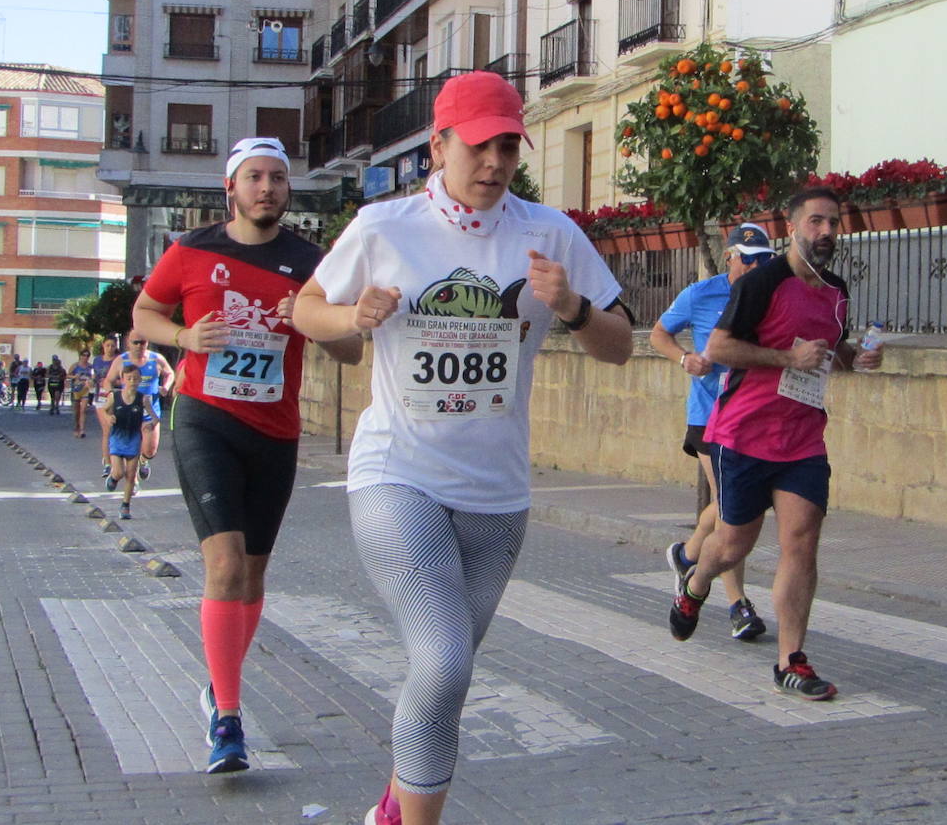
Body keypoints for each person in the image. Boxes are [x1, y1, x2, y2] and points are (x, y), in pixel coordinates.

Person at [293, 71, 634, 825]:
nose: (495, 162)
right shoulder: (385, 226)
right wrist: (356, 312)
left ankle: (391, 808)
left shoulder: (551, 234)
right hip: (397, 472)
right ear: (439, 146)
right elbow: (304, 309)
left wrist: (573, 306)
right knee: (443, 661)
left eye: (508, 145)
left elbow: (621, 343)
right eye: (479, 145)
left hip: (498, 496)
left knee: (443, 674)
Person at [132, 135, 362, 775]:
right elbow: (143, 315)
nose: (267, 189)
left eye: (278, 179)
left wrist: (312, 319)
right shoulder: (191, 251)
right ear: (230, 188)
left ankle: (218, 682)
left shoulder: (313, 264)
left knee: (253, 576)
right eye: (254, 178)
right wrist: (183, 334)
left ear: (288, 191)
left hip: (275, 430)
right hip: (206, 419)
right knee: (226, 567)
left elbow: (350, 353)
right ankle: (228, 717)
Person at [666, 186, 882, 703]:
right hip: (744, 433)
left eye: (833, 223)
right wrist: (788, 358)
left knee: (802, 541)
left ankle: (791, 660)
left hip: (803, 437)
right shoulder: (762, 282)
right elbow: (718, 348)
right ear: (792, 228)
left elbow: (830, 350)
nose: (827, 232)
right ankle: (696, 583)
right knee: (733, 544)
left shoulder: (836, 291)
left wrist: (856, 357)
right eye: (816, 222)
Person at [651, 223, 776, 641]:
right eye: (751, 258)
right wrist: (684, 358)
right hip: (709, 414)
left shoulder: (771, 293)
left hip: (752, 413)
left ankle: (687, 555)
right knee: (734, 507)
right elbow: (658, 334)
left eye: (766, 260)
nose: (758, 267)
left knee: (731, 507)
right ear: (731, 257)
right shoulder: (700, 294)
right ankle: (738, 604)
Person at [104, 330, 176, 483]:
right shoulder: (121, 361)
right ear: (128, 343)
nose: (138, 346)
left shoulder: (156, 359)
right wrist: (112, 396)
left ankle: (144, 460)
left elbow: (170, 373)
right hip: (128, 411)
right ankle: (133, 480)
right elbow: (109, 380)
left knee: (150, 450)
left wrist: (166, 386)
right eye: (135, 342)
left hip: (150, 411)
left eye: (142, 342)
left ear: (147, 342)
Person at [98, 363, 155, 520]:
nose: (132, 381)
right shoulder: (114, 397)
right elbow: (103, 409)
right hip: (117, 438)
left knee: (130, 475)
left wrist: (151, 425)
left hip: (134, 439)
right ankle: (113, 477)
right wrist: (108, 417)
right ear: (123, 379)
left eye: (135, 378)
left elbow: (154, 417)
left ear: (140, 380)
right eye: (129, 378)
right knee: (119, 472)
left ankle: (125, 506)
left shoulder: (142, 399)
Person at [92, 337, 120, 479]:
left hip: (116, 397)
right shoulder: (97, 360)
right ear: (103, 346)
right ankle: (107, 464)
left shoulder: (119, 360)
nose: (110, 348)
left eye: (112, 345)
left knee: (117, 429)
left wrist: (113, 381)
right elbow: (94, 377)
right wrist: (90, 382)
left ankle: (117, 460)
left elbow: (124, 378)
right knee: (107, 430)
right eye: (107, 345)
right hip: (101, 398)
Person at [69, 350, 94, 437]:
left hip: (85, 390)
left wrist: (91, 381)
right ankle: (77, 427)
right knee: (77, 411)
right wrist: (75, 376)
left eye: (87, 356)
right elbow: (67, 375)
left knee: (83, 410)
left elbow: (93, 377)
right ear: (80, 356)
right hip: (76, 390)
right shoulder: (75, 366)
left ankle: (82, 430)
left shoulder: (90, 367)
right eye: (84, 355)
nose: (85, 357)